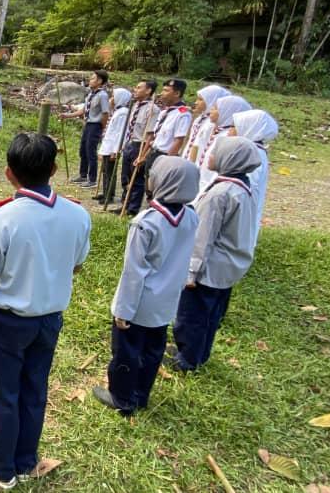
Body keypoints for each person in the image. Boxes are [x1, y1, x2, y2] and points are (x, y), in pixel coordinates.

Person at [0, 132, 91, 490]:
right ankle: (25, 459)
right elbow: (75, 266)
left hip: (5, 322)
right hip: (49, 320)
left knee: (3, 392)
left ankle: (0, 465)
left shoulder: (1, 217)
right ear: (53, 169)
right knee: (35, 388)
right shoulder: (78, 215)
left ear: (8, 173)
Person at [92, 157, 200, 416]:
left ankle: (122, 398)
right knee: (153, 350)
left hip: (140, 302)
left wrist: (123, 310)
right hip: (167, 301)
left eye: (153, 175)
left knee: (126, 351)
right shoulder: (191, 217)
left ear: (164, 182)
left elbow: (134, 272)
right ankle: (141, 394)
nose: (149, 178)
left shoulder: (146, 222)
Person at [168, 137, 261, 372]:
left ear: (229, 159)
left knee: (193, 315)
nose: (209, 155)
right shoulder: (242, 187)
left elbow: (202, 237)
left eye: (214, 152)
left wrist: (190, 272)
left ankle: (187, 358)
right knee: (210, 315)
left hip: (209, 268)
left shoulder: (219, 194)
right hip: (228, 267)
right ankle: (198, 353)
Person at [231, 109, 279, 243]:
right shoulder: (250, 151)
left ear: (248, 128)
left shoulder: (252, 154)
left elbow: (244, 188)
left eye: (234, 127)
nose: (229, 131)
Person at [114, 79, 160, 216]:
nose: (135, 89)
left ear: (148, 91)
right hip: (130, 143)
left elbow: (150, 135)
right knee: (125, 176)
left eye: (139, 87)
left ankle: (132, 208)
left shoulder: (153, 109)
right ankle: (124, 203)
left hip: (140, 145)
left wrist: (143, 155)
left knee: (137, 178)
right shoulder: (135, 106)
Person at [137, 78, 191, 190]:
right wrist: (144, 155)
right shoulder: (164, 113)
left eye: (166, 90)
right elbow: (154, 137)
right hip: (153, 153)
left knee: (159, 189)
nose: (162, 93)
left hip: (165, 155)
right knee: (149, 188)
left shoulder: (183, 114)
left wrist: (167, 163)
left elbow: (178, 140)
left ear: (177, 93)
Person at [61, 70, 110, 187]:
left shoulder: (103, 95)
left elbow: (105, 113)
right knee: (83, 150)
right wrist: (67, 116)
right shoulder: (90, 94)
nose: (90, 80)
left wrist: (102, 128)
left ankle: (92, 179)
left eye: (93, 78)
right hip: (87, 124)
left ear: (99, 81)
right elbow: (83, 110)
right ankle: (83, 175)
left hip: (95, 126)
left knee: (90, 151)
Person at [195, 95, 252, 194]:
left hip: (210, 186)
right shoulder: (217, 131)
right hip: (201, 181)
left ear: (227, 111)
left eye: (215, 108)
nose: (211, 110)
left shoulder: (227, 137)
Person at [94, 87, 132, 205]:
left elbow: (120, 133)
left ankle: (109, 195)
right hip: (108, 146)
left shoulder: (123, 113)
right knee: (105, 171)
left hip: (112, 148)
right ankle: (106, 192)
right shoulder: (117, 111)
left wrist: (115, 150)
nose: (110, 99)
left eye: (113, 97)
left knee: (110, 172)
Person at [182, 85, 230, 161]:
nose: (196, 102)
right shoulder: (200, 119)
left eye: (200, 99)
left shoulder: (212, 123)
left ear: (212, 101)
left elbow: (202, 147)